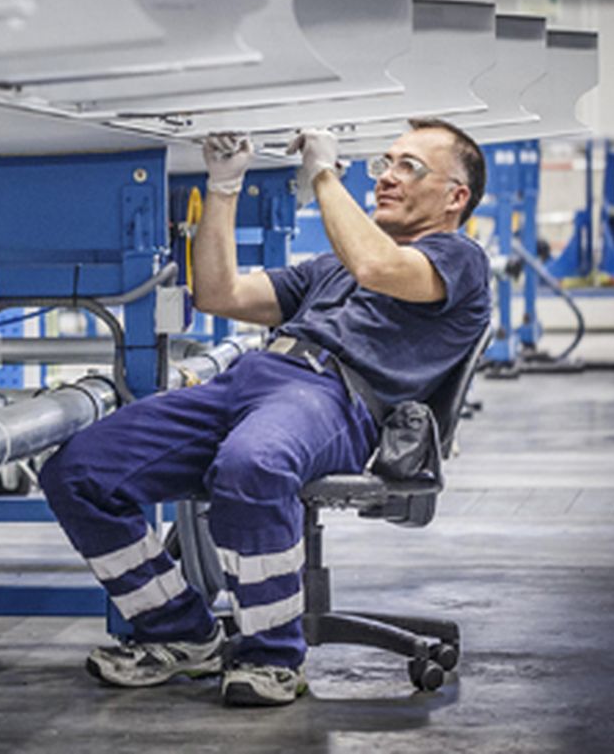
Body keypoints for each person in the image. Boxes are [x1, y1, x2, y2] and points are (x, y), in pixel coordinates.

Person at [38, 119, 492, 707]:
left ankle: (272, 657)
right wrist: (223, 187)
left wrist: (324, 172)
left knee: (253, 465)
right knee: (77, 472)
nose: (386, 179)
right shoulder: (331, 268)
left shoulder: (459, 260)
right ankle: (180, 633)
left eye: (409, 167)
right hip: (248, 382)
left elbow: (379, 268)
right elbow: (219, 294)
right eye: (385, 164)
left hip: (334, 397)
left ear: (455, 197)